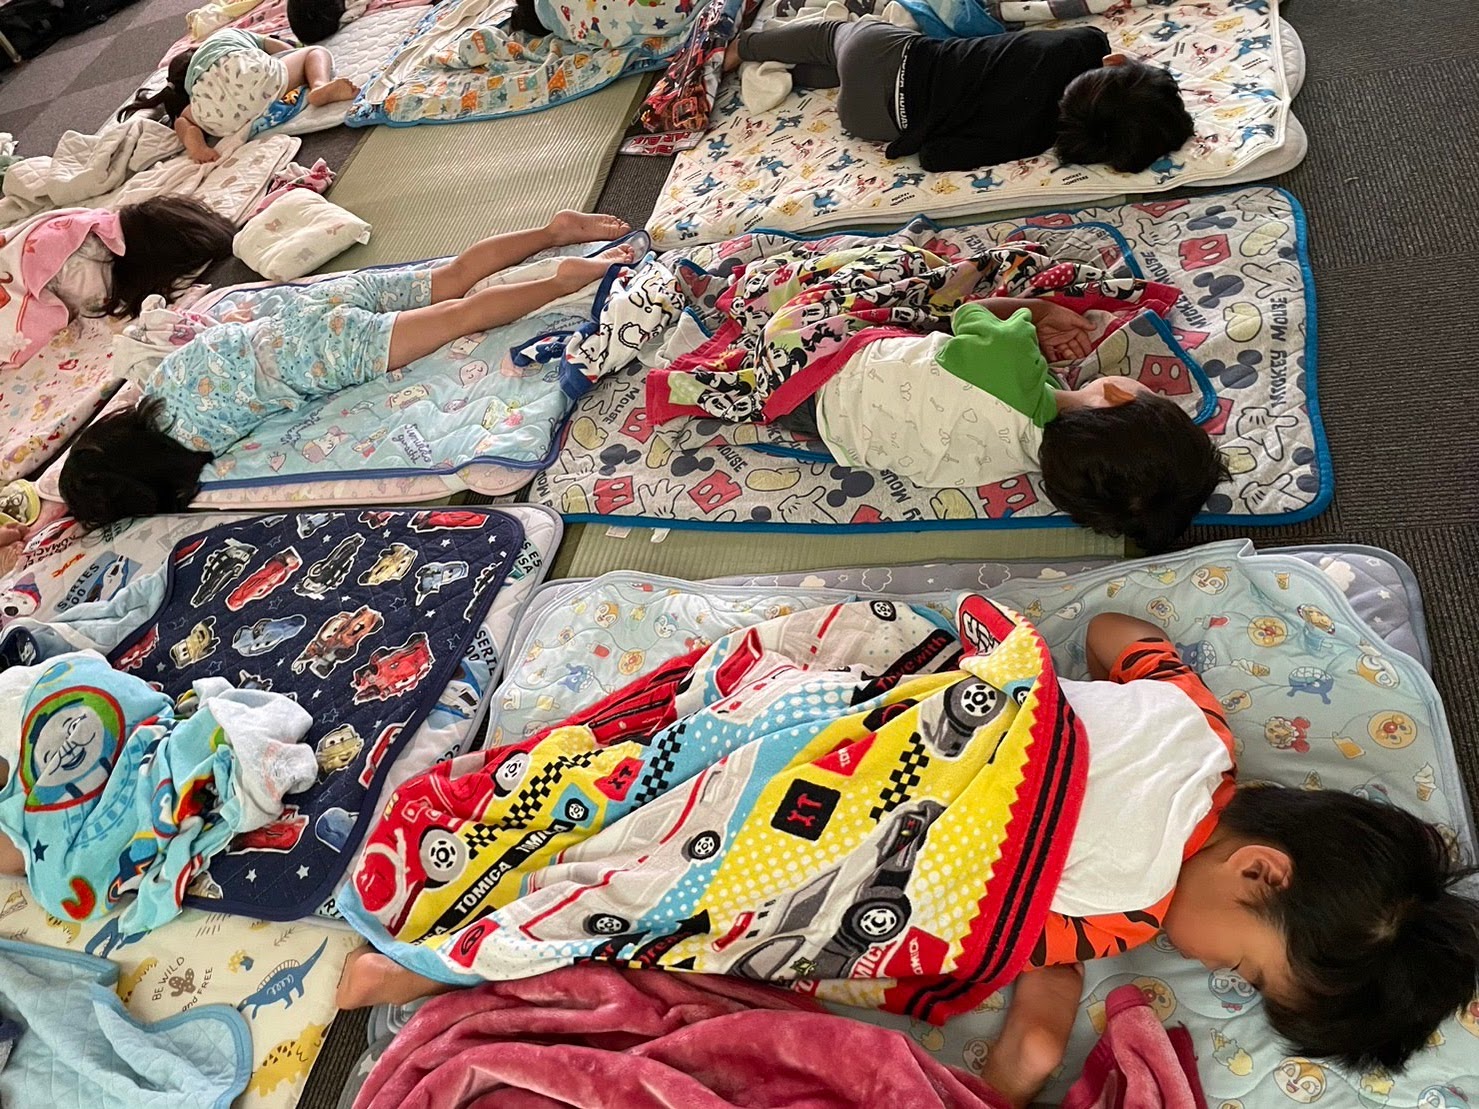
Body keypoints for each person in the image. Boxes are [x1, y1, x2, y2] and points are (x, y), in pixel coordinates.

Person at [333, 610, 1479, 1107]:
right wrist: (1019, 1069)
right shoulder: (1122, 915)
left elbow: (1119, 633)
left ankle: (475, 922)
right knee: (706, 897)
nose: (1216, 973)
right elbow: (1033, 974)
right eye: (1244, 966)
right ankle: (453, 960)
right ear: (1261, 872)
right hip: (892, 784)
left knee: (694, 788)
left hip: (859, 720)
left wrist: (1093, 690)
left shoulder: (1197, 724)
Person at [58, 212, 636, 529]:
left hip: (324, 350)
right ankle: (554, 231)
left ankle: (561, 280)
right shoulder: (157, 386)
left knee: (463, 316)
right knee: (454, 277)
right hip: (306, 306)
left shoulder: (192, 443)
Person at [777, 298, 1225, 552]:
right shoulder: (1023, 458)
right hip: (825, 429)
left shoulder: (1012, 360)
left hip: (819, 367)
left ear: (1117, 395)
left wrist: (1037, 312)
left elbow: (968, 312)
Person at [724, 20, 1194, 173]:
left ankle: (742, 48)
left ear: (1114, 65)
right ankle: (801, 75)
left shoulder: (1080, 44)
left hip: (884, 55)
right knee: (844, 69)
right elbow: (935, 157)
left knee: (835, 35)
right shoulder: (1034, 137)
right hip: (874, 119)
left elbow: (1094, 44)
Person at [118, 30, 360, 162]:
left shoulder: (197, 81)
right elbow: (278, 49)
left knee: (185, 119)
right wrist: (293, 60)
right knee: (314, 53)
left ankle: (195, 144)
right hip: (257, 79)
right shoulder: (226, 36)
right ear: (194, 51)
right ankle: (319, 86)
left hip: (221, 119)